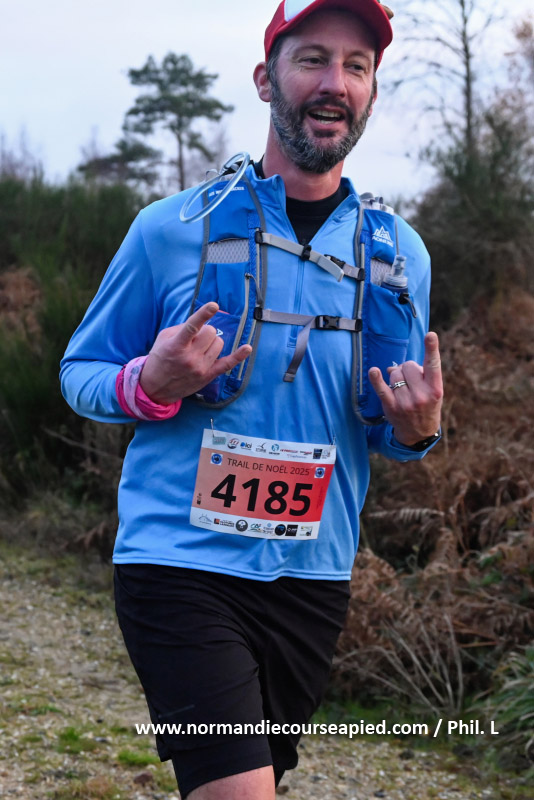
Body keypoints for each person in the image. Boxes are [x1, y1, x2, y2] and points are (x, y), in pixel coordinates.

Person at [60, 1, 443, 797]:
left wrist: (417, 430)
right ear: (267, 79)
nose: (335, 82)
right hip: (178, 564)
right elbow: (81, 371)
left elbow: (393, 428)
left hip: (314, 577)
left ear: (372, 93)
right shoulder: (171, 228)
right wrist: (147, 384)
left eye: (357, 66)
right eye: (312, 59)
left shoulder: (398, 255)